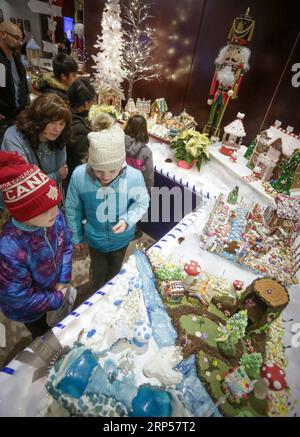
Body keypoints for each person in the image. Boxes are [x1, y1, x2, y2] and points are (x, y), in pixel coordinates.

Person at [65, 124, 149, 292]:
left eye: (112, 170)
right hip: (94, 239)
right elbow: (73, 208)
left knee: (115, 272)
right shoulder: (79, 176)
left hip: (122, 239)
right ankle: (96, 292)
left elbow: (141, 202)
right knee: (98, 273)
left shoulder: (134, 177)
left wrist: (127, 220)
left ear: (122, 163)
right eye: (98, 170)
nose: (105, 176)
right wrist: (76, 237)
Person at [0, 151, 73, 339]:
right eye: (45, 209)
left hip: (55, 286)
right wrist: (56, 298)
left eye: (55, 204)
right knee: (42, 333)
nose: (55, 213)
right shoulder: (10, 249)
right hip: (31, 308)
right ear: (23, 213)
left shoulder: (53, 220)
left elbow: (66, 245)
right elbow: (18, 297)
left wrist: (63, 279)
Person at [1, 93, 71, 183]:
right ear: (38, 119)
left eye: (61, 123)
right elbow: (23, 183)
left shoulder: (60, 136)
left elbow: (62, 171)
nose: (57, 129)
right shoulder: (14, 136)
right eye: (52, 122)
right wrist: (56, 175)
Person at [0, 21, 30, 144]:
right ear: (3, 35)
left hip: (19, 114)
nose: (19, 42)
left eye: (21, 39)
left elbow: (21, 85)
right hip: (4, 117)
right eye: (16, 37)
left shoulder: (16, 58)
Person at [66, 78, 96, 184]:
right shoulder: (80, 130)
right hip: (75, 180)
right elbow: (83, 162)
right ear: (86, 102)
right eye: (92, 100)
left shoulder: (66, 114)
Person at [124, 114, 154, 194]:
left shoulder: (120, 143)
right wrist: (148, 192)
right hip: (137, 190)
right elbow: (148, 176)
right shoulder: (146, 152)